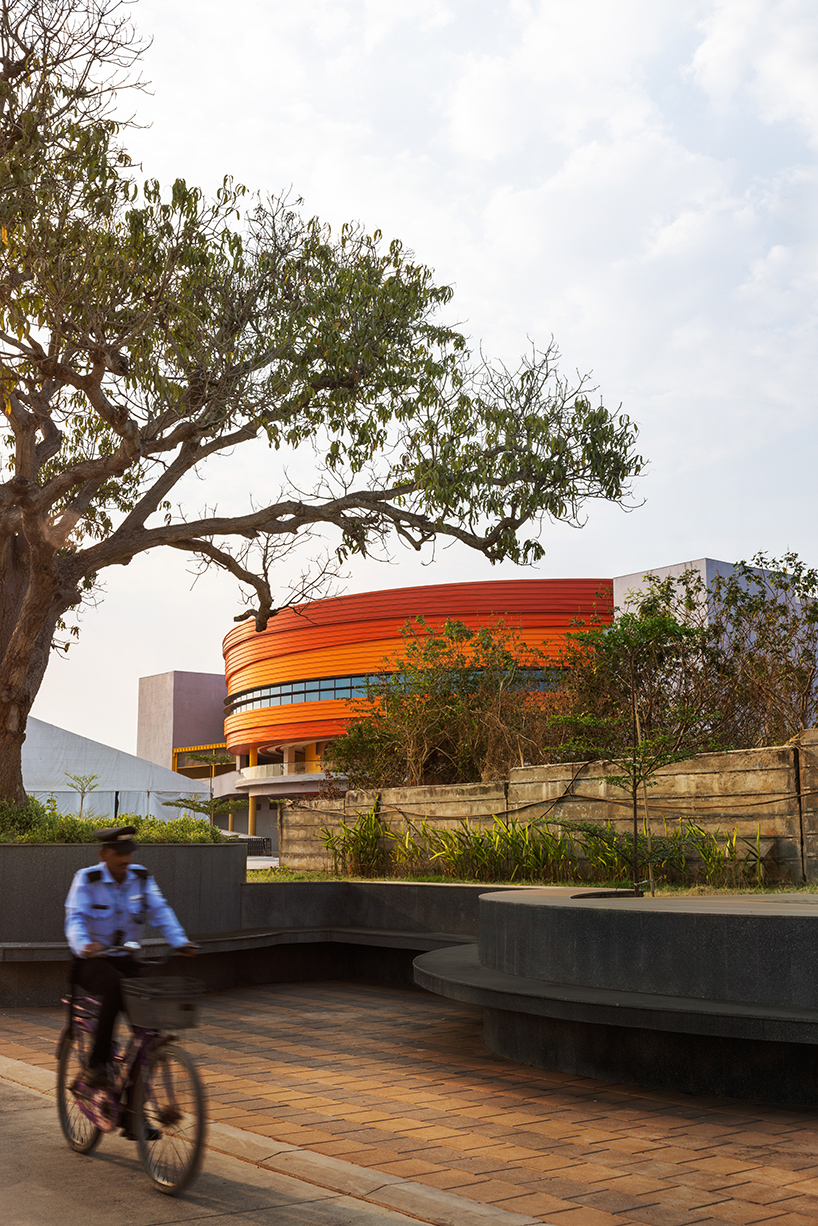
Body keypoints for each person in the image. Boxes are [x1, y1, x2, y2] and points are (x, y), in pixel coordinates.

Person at [65, 825, 197, 1089]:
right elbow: (75, 919)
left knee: (149, 1024)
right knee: (116, 988)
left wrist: (179, 940)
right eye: (118, 853)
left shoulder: (141, 878)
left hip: (126, 960)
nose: (125, 859)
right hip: (92, 962)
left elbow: (160, 910)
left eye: (129, 853)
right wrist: (85, 944)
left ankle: (137, 1111)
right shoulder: (87, 880)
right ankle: (97, 1065)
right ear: (103, 854)